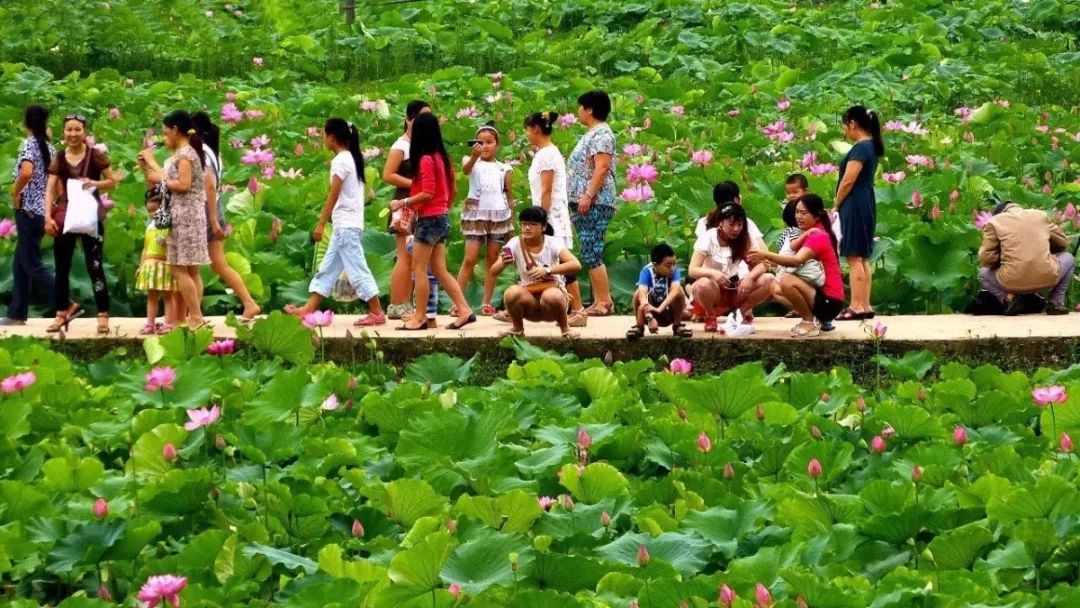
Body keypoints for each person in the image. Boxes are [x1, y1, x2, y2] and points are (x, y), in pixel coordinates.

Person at [285, 119, 385, 325]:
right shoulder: (352, 158)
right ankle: (308, 309)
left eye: (324, 134)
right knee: (328, 268)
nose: (323, 138)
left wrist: (321, 223)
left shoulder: (340, 161)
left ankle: (376, 312)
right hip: (348, 223)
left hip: (346, 225)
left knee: (357, 269)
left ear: (331, 137)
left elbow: (333, 194)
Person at [389, 112, 474, 330]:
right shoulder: (442, 158)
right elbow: (451, 189)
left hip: (429, 219)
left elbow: (428, 192)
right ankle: (464, 310)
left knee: (418, 268)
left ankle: (420, 317)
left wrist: (403, 202)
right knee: (439, 270)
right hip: (442, 217)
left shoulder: (426, 159)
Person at [44, 114, 115, 334]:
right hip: (64, 217)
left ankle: (102, 314)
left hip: (90, 217)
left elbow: (112, 182)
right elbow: (50, 188)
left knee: (95, 266)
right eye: (69, 130)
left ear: (84, 132)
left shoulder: (95, 156)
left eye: (77, 130)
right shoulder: (59, 157)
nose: (73, 134)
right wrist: (47, 217)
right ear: (63, 133)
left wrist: (94, 183)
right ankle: (61, 313)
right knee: (62, 268)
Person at [138, 110, 210, 330]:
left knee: (179, 269)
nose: (164, 136)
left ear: (175, 129)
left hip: (184, 217)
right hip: (188, 215)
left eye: (165, 131)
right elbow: (167, 178)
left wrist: (159, 175)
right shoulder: (181, 153)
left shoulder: (186, 155)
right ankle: (195, 316)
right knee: (192, 270)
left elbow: (183, 184)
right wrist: (149, 165)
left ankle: (196, 316)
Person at [192, 111, 261, 322]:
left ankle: (193, 315)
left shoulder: (200, 152)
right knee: (219, 264)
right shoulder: (213, 152)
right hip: (216, 208)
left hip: (204, 211)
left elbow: (209, 186)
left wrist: (212, 221)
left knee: (190, 267)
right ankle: (249, 303)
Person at [748, 194, 845, 337]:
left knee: (786, 281)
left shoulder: (817, 235)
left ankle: (808, 321)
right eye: (797, 212)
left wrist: (765, 255)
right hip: (825, 297)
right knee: (782, 283)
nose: (798, 216)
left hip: (829, 302)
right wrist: (768, 260)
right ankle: (814, 319)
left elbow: (797, 261)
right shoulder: (812, 232)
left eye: (803, 213)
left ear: (816, 215)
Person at [525, 110, 586, 326]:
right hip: (549, 213)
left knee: (562, 260)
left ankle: (578, 310)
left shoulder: (546, 155)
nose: (526, 134)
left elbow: (547, 190)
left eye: (527, 130)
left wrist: (541, 219)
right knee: (554, 261)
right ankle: (566, 307)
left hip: (550, 215)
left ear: (535, 129)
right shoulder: (546, 152)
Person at [489, 206, 582, 338]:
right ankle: (517, 328)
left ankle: (565, 328)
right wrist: (504, 262)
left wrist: (547, 270)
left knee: (552, 296)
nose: (527, 228)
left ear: (543, 227)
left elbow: (576, 265)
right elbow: (493, 272)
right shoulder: (514, 243)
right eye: (524, 224)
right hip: (528, 301)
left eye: (533, 224)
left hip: (553, 301)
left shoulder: (553, 243)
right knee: (511, 292)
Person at [2, 105, 55, 326]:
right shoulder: (49, 148)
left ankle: (65, 302)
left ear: (26, 122)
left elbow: (26, 171)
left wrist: (16, 191)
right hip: (42, 210)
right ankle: (17, 314)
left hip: (27, 210)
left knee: (32, 262)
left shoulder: (28, 145)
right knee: (19, 262)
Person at [688, 203, 773, 335]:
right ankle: (710, 316)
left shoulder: (745, 238)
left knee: (769, 279)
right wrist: (713, 274)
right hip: (713, 291)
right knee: (702, 284)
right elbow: (692, 270)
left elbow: (765, 264)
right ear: (720, 223)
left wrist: (750, 278)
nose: (736, 229)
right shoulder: (708, 237)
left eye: (740, 225)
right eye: (731, 224)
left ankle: (737, 315)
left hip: (736, 289)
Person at [567, 90, 617, 316]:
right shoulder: (593, 134)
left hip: (594, 201)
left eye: (580, 107)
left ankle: (604, 302)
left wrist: (587, 195)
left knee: (592, 249)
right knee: (589, 249)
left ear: (589, 109)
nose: (578, 111)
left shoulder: (602, 135)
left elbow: (602, 167)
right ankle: (600, 301)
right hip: (585, 201)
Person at [382, 100, 432, 320]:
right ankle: (396, 303)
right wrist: (414, 186)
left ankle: (408, 304)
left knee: (416, 258)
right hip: (405, 202)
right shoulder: (401, 145)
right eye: (421, 117)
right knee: (404, 256)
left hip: (421, 203)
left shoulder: (425, 145)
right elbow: (388, 175)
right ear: (408, 119)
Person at [456, 123, 513, 316]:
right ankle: (458, 303)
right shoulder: (471, 161)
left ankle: (486, 303)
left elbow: (508, 194)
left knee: (491, 260)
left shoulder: (504, 168)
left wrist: (511, 221)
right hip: (476, 215)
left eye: (490, 142)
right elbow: (465, 170)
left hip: (499, 216)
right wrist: (474, 155)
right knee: (469, 258)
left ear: (497, 144)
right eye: (481, 142)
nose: (485, 146)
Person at [833, 105, 884, 321]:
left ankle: (856, 305)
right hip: (866, 200)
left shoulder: (860, 148)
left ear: (852, 124)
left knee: (853, 255)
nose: (845, 131)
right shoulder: (871, 146)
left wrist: (836, 204)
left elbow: (848, 180)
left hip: (854, 201)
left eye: (845, 126)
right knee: (862, 256)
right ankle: (865, 304)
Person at [977, 200, 1073, 316]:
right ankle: (1055, 302)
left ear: (999, 213)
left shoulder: (995, 221)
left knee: (982, 273)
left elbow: (985, 258)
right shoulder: (1040, 216)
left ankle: (1010, 299)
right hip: (1048, 277)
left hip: (1010, 282)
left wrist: (1002, 260)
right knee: (1069, 258)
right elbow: (1063, 243)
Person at [626, 243, 692, 340]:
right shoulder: (646, 271)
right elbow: (642, 296)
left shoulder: (674, 271)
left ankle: (677, 325)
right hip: (650, 312)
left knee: (679, 291)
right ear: (656, 265)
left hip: (668, 312)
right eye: (668, 265)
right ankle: (639, 327)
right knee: (637, 293)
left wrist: (660, 309)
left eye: (674, 264)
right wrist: (650, 317)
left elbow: (675, 290)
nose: (672, 268)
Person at [135, 189, 178, 334]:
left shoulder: (168, 224)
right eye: (150, 211)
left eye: (155, 209)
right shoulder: (150, 227)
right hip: (150, 264)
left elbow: (174, 243)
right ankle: (150, 323)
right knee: (151, 296)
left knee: (168, 295)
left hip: (164, 263)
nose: (153, 213)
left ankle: (169, 323)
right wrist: (141, 266)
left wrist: (166, 241)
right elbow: (145, 248)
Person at [695, 181, 767, 252]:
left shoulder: (703, 222)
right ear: (736, 200)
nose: (736, 229)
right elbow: (764, 252)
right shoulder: (745, 222)